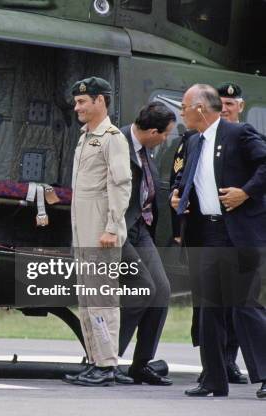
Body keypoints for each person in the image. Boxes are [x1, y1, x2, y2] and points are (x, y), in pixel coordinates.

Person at [171, 84, 266, 398]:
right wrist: (179, 197)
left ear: (199, 108)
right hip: (207, 233)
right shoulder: (194, 141)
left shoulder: (238, 135)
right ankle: (214, 378)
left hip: (237, 232)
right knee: (209, 309)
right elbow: (192, 180)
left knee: (243, 304)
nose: (181, 113)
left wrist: (247, 191)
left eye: (184, 107)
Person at [64, 77, 132, 387]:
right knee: (88, 299)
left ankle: (107, 365)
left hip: (101, 234)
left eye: (82, 102)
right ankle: (94, 361)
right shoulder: (85, 137)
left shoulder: (112, 137)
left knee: (103, 299)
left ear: (100, 101)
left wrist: (112, 227)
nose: (76, 106)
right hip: (83, 233)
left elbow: (120, 185)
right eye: (76, 102)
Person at [118, 102, 176, 386]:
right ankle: (107, 360)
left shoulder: (146, 150)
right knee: (143, 288)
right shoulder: (117, 143)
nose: (166, 139)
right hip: (117, 229)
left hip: (140, 228)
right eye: (165, 134)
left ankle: (141, 364)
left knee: (161, 290)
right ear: (153, 131)